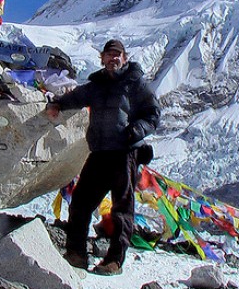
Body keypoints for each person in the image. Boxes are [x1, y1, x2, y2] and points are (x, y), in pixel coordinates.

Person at [45, 39, 160, 276]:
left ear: (125, 58)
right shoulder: (96, 84)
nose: (113, 59)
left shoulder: (134, 83)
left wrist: (137, 130)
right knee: (80, 202)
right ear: (102, 58)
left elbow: (153, 113)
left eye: (117, 55)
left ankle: (115, 260)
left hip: (125, 153)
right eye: (109, 55)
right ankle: (76, 253)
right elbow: (76, 97)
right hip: (99, 152)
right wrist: (58, 104)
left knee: (121, 208)